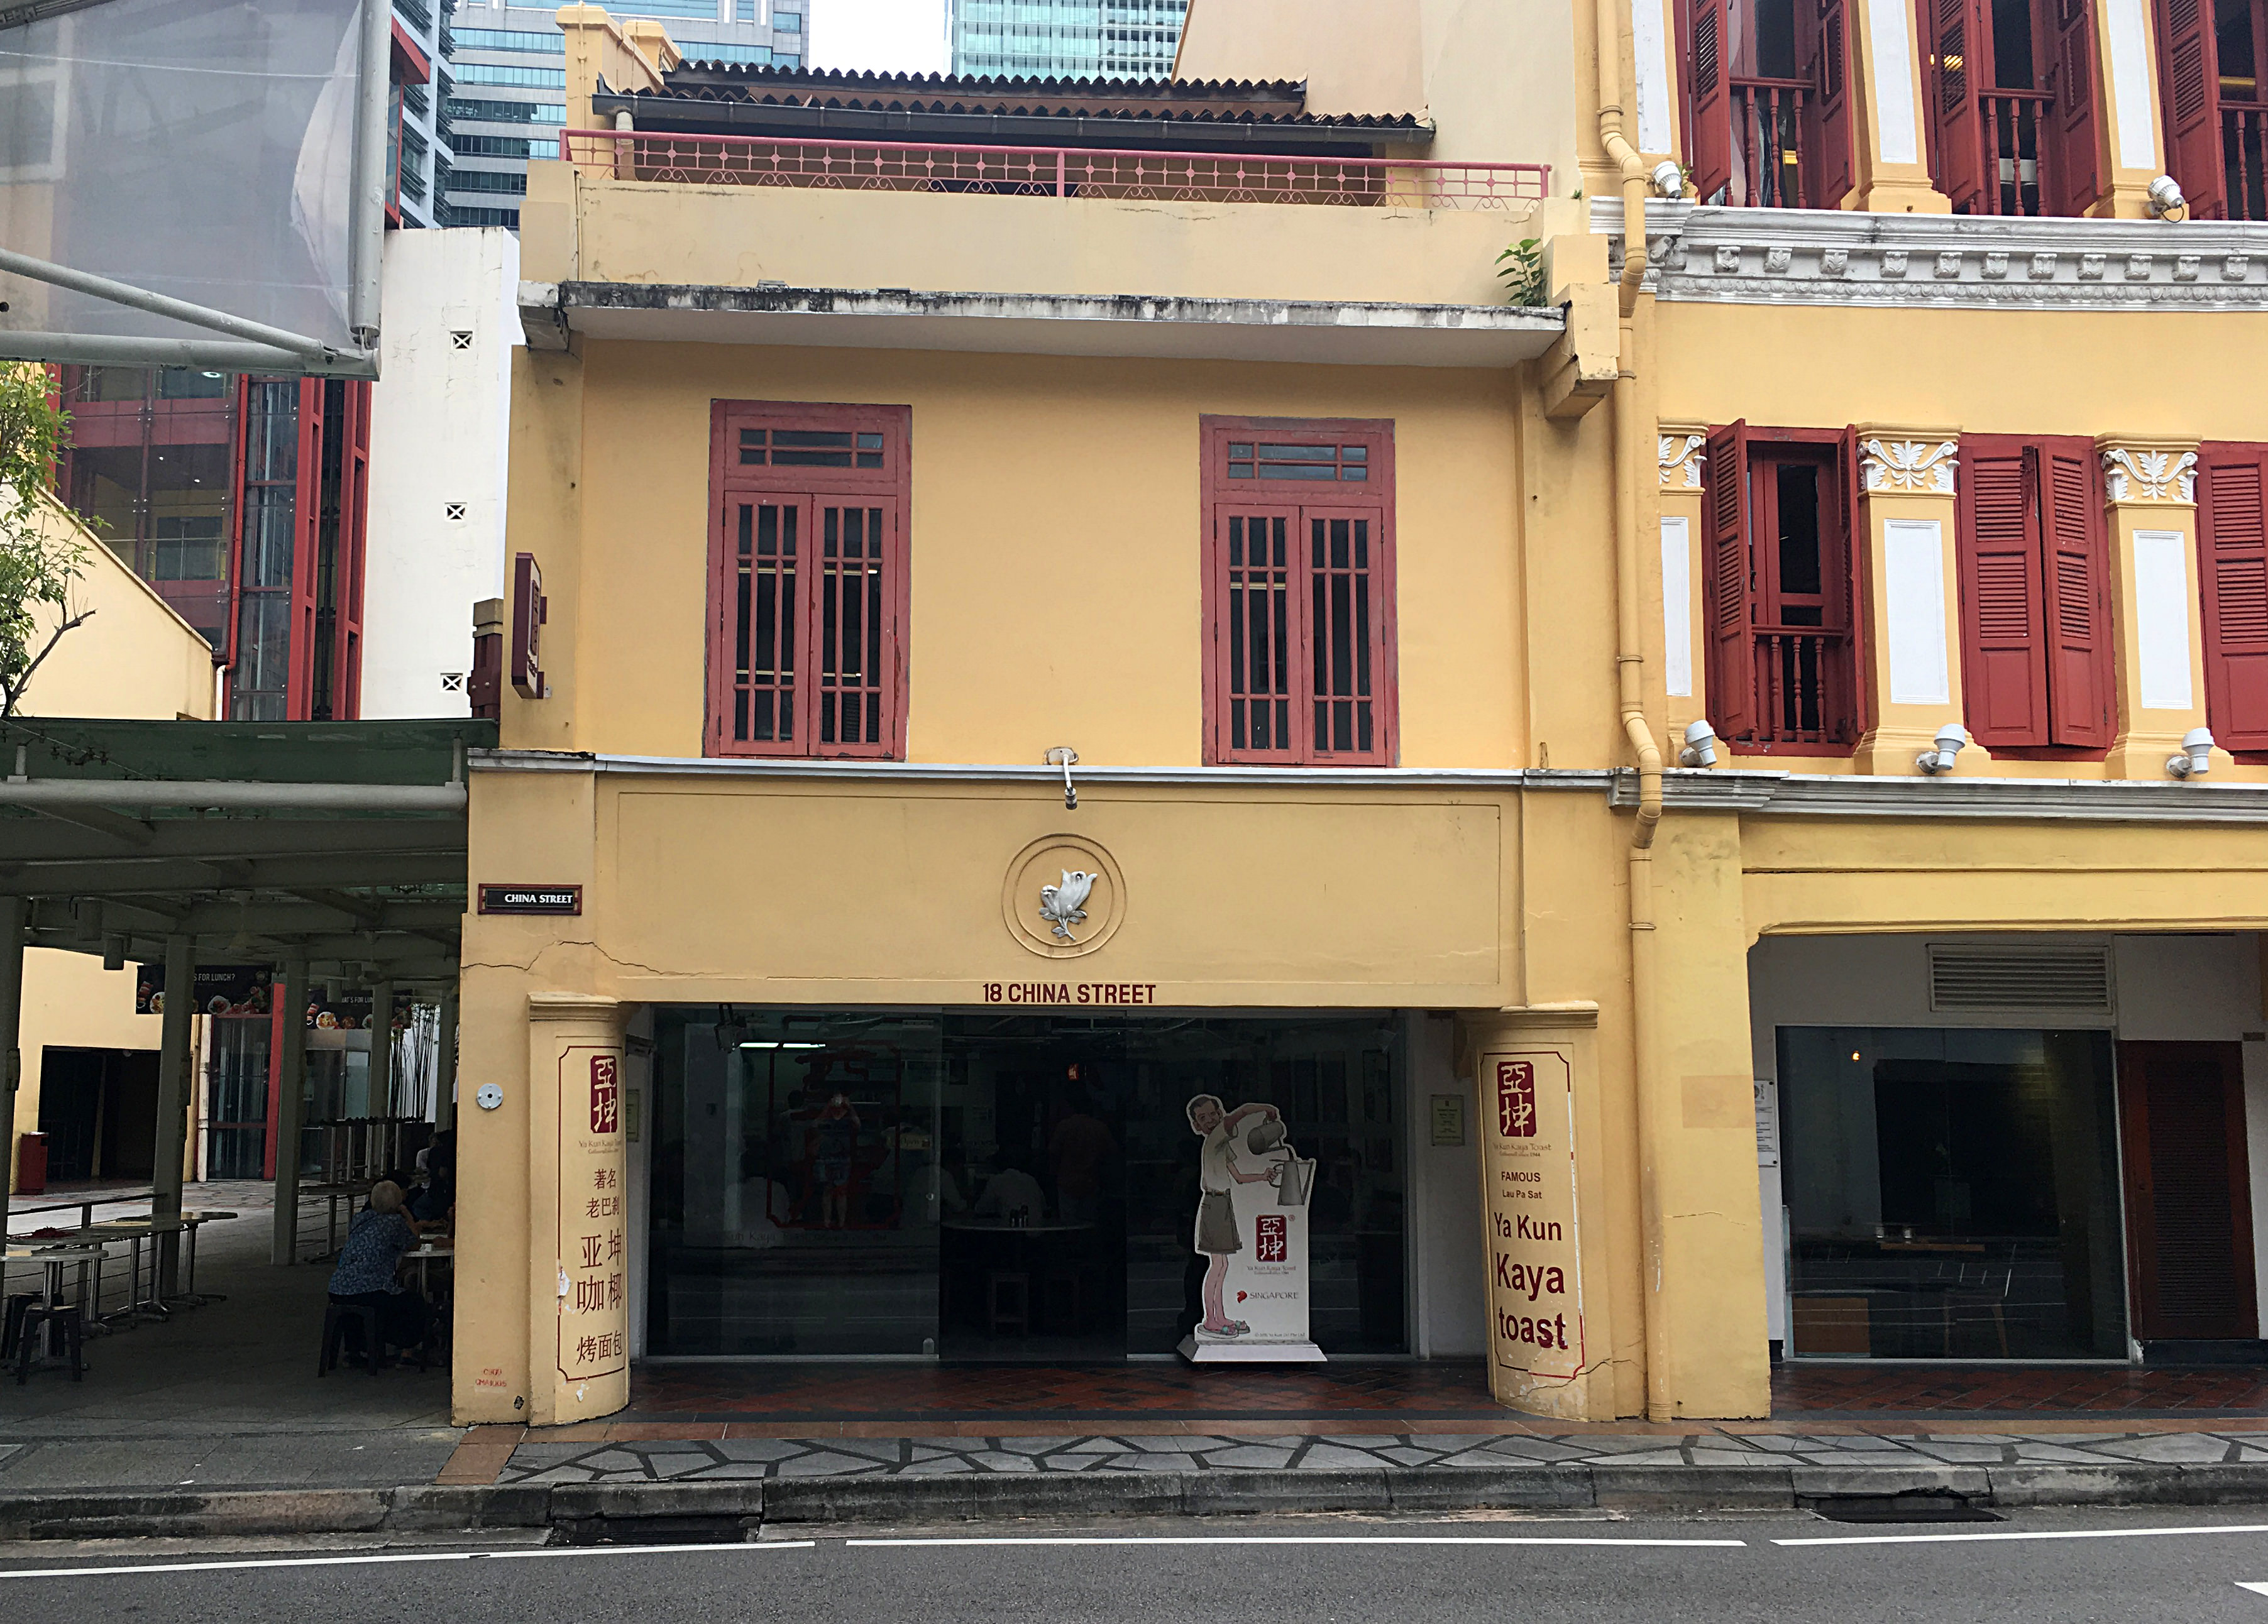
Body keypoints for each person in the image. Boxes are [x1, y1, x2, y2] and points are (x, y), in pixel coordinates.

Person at [1186, 1094, 1281, 1339]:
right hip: (1215, 1203)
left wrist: (1263, 1175)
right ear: (1197, 1126)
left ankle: (1219, 1316)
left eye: (1213, 1114)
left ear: (1219, 1113)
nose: (1209, 1120)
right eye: (1202, 1118)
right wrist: (1266, 1107)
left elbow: (1238, 1177)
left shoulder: (1221, 1144)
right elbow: (1243, 1110)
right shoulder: (1217, 1137)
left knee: (1222, 1264)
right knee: (1217, 1264)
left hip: (1223, 1202)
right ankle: (1210, 1320)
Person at [326, 1181, 432, 1363]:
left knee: (361, 1307)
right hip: (369, 1289)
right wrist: (408, 1216)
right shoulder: (394, 1223)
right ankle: (407, 1349)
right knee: (413, 1302)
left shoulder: (360, 1220)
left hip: (338, 1287)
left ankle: (355, 1350)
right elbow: (415, 1242)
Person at [1049, 1088, 1117, 1226]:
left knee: (1067, 1225)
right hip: (1091, 1183)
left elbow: (1052, 1154)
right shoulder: (1100, 1128)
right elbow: (1112, 1155)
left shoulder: (1064, 1127)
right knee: (1089, 1224)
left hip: (1067, 1184)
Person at [811, 1091, 862, 1229]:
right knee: (827, 1190)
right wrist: (827, 1108)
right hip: (826, 1157)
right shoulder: (826, 1117)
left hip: (843, 1157)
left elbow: (858, 1125)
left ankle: (841, 1222)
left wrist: (850, 1107)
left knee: (841, 1191)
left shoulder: (848, 1118)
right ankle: (827, 1222)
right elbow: (814, 1125)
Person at [972, 1156, 1047, 1224]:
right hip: (1039, 1232)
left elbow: (981, 1208)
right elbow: (1044, 1207)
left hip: (1011, 1231)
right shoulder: (1031, 1179)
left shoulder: (996, 1181)